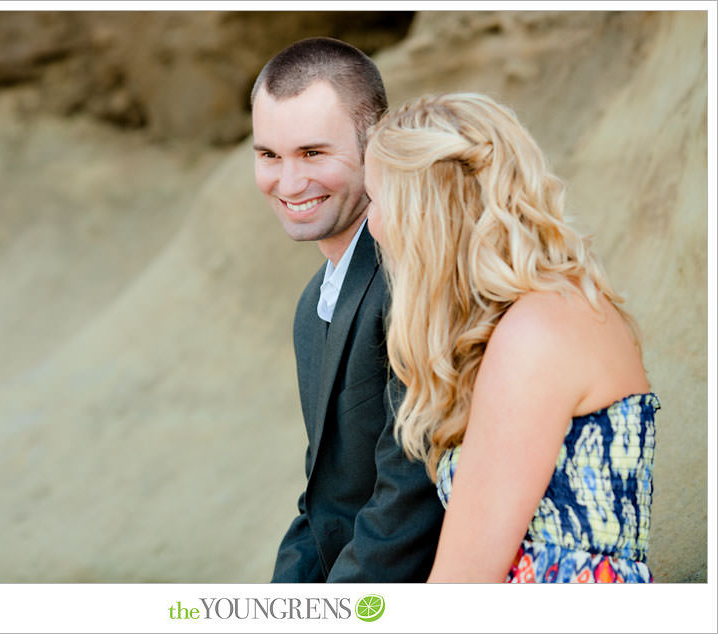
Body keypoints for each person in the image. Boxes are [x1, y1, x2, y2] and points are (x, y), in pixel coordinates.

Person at [364, 92, 660, 582]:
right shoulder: (535, 318)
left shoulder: (538, 332)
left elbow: (463, 582)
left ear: (422, 215)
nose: (371, 223)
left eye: (375, 199)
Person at [251, 37, 444, 582]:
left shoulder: (411, 275)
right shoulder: (313, 303)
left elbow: (410, 493)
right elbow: (324, 501)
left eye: (313, 153)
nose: (288, 183)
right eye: (269, 155)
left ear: (373, 147)